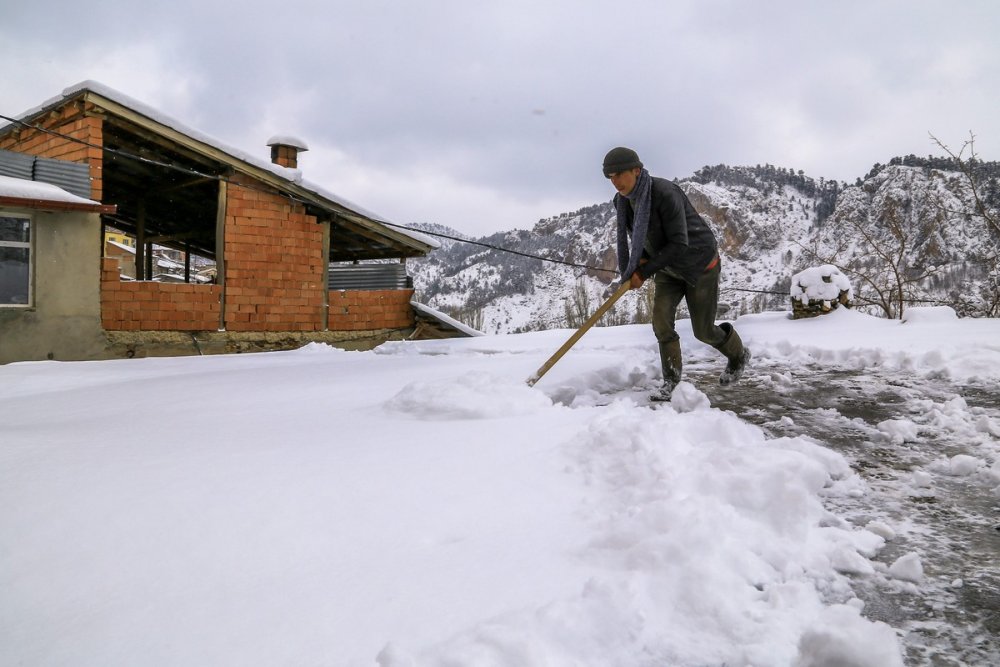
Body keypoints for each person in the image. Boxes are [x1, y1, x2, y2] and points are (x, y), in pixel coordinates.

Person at [603, 146, 750, 400]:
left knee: (703, 332)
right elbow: (641, 240)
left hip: (700, 266)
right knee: (661, 323)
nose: (615, 182)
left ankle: (738, 355)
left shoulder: (665, 193)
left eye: (619, 174)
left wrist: (644, 272)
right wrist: (639, 266)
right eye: (610, 177)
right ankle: (671, 382)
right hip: (668, 268)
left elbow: (679, 243)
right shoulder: (622, 203)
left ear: (636, 170)